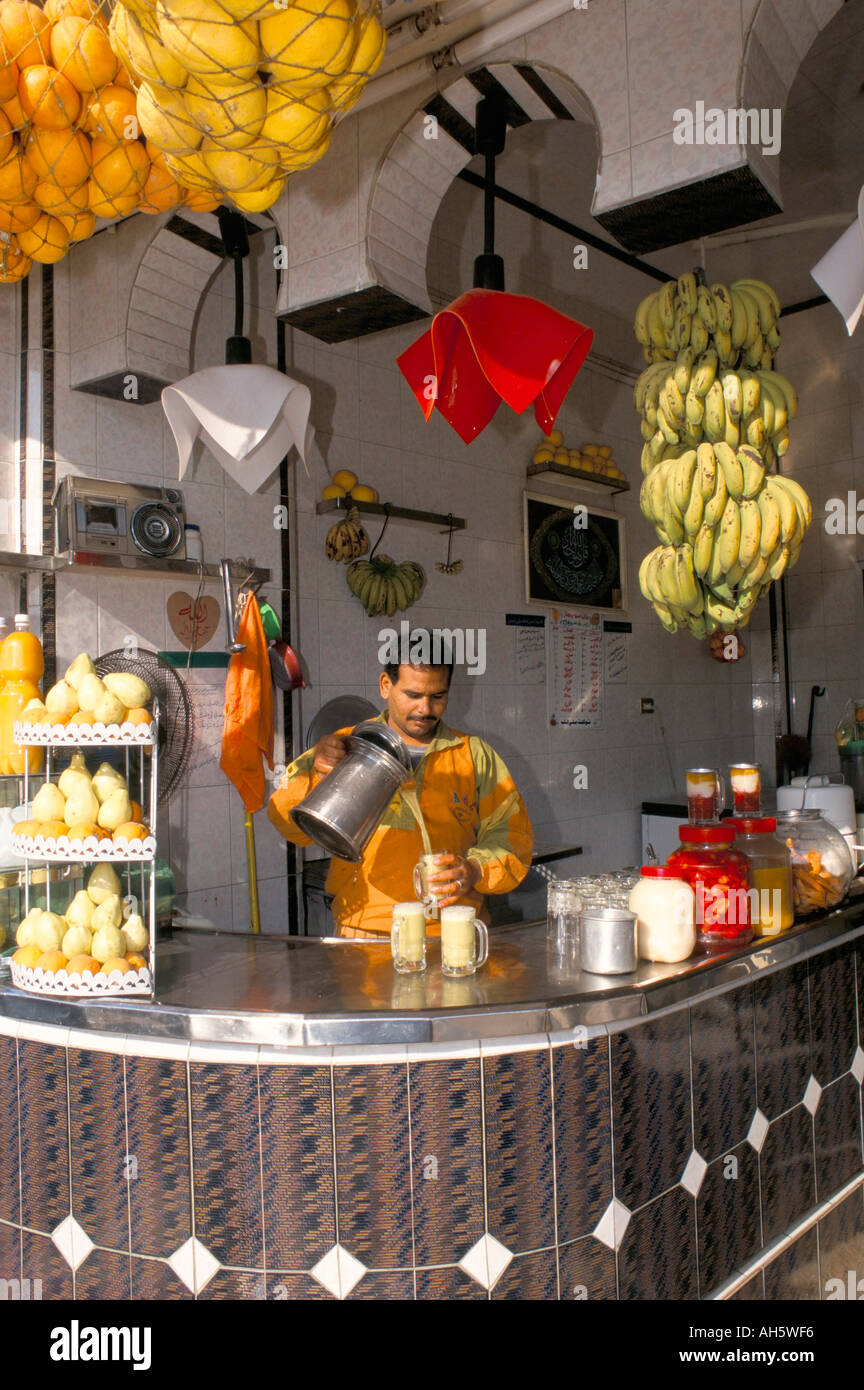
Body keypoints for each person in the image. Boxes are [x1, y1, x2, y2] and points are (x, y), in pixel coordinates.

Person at [268, 644, 533, 938]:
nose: (425, 709)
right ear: (385, 685)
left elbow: (513, 837)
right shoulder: (345, 746)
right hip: (366, 931)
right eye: (413, 695)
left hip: (453, 929)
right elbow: (286, 821)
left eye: (437, 696)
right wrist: (318, 774)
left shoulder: (473, 755)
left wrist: (474, 869)